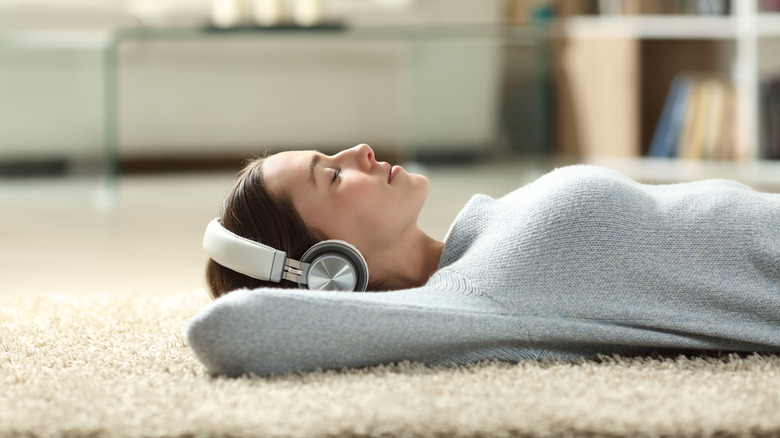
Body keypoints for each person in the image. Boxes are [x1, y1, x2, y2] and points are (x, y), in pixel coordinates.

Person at [187, 144, 780, 377]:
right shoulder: (467, 303)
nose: (361, 151)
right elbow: (231, 331)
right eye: (334, 175)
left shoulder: (479, 242)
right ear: (328, 269)